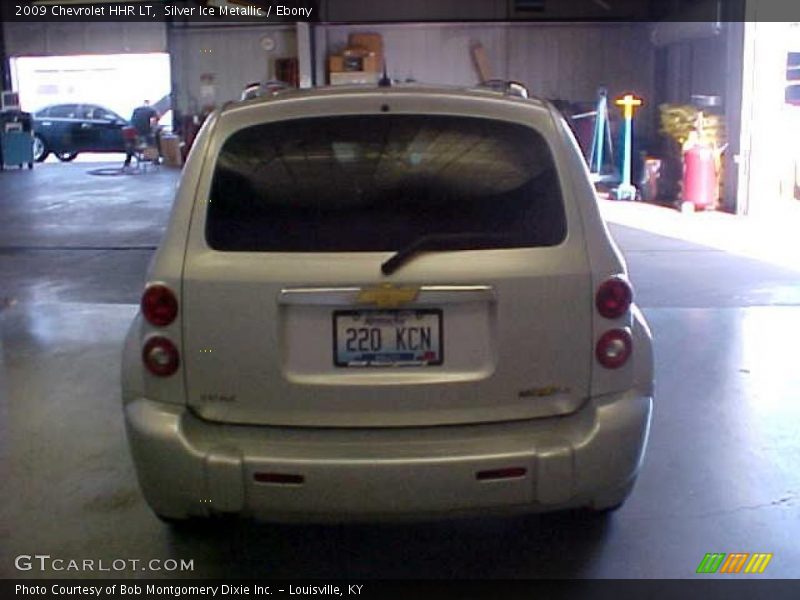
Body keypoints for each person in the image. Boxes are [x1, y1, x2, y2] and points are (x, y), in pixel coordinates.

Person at [124, 100, 160, 167]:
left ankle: (127, 161)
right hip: (145, 129)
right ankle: (155, 160)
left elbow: (132, 120)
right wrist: (155, 128)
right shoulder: (152, 110)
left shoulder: (137, 109)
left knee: (131, 144)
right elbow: (156, 120)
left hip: (133, 130)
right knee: (152, 143)